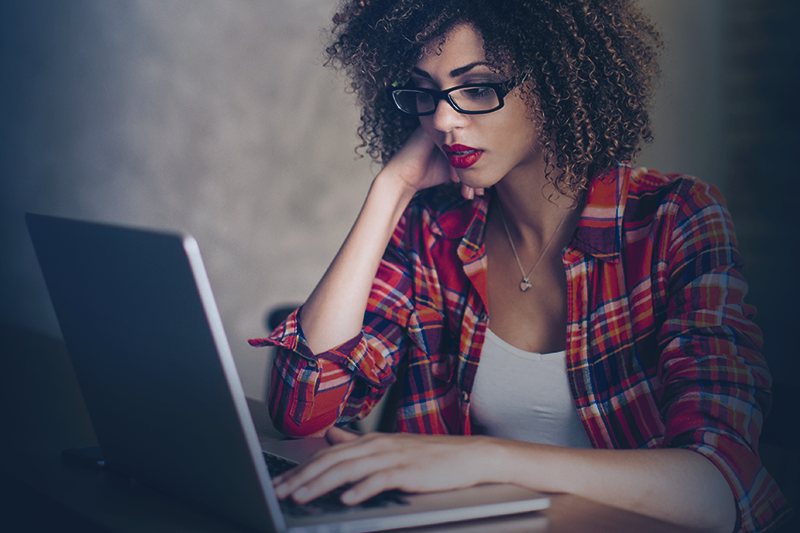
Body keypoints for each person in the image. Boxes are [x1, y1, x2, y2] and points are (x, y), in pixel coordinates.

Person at [249, 1, 791, 531]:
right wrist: (392, 190)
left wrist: (488, 459)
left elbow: (719, 489)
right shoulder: (434, 227)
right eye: (427, 92)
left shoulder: (675, 218)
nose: (441, 118)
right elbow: (301, 410)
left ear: (558, 79)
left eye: (478, 87)